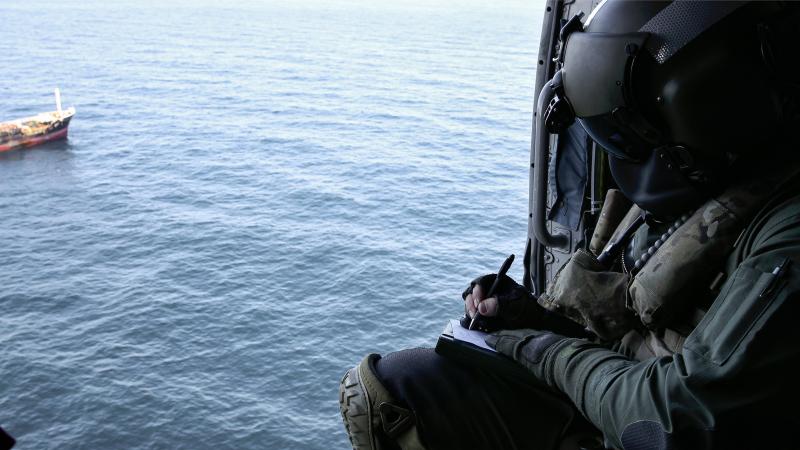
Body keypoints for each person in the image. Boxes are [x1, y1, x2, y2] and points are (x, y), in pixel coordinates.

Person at [339, 1, 800, 449]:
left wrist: (543, 350)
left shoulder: (785, 233)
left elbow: (677, 421)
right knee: (388, 387)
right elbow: (638, 335)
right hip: (621, 391)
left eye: (635, 135)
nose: (624, 155)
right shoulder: (709, 192)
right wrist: (529, 318)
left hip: (650, 421)